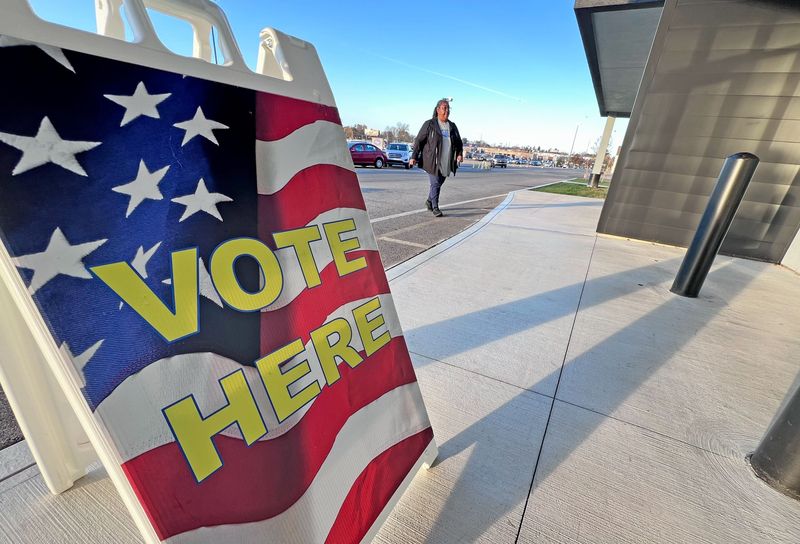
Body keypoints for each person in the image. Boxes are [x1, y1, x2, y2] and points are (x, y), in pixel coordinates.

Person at [409, 99, 463, 217]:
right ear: (438, 109)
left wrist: (459, 154)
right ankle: (435, 207)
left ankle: (429, 201)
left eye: (448, 108)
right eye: (444, 108)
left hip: (446, 161)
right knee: (435, 182)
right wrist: (413, 156)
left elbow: (459, 142)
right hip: (432, 160)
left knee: (439, 182)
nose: (447, 111)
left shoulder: (452, 126)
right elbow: (419, 140)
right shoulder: (430, 124)